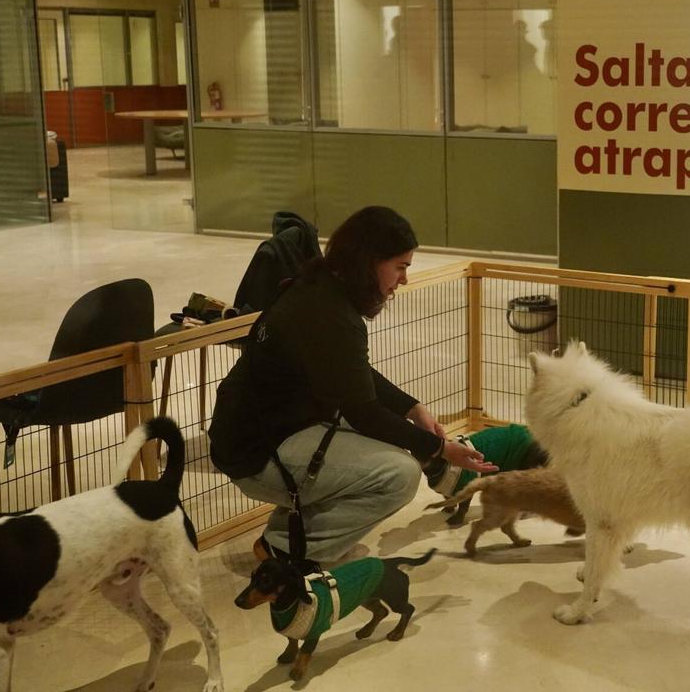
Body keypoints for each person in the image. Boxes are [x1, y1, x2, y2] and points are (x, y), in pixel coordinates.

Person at [208, 206, 496, 566]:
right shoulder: (328, 314)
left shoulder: (319, 286)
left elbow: (351, 374)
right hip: (257, 453)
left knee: (391, 443)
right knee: (398, 475)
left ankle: (284, 535)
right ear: (370, 261)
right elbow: (364, 413)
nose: (403, 279)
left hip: (263, 431)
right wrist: (438, 448)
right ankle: (289, 552)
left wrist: (412, 408)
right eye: (401, 266)